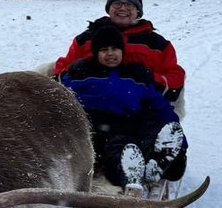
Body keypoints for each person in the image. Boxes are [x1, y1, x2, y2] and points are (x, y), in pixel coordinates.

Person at [60, 26, 187, 188]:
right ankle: (130, 174)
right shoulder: (80, 73)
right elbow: (59, 96)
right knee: (111, 153)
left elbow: (162, 108)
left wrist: (181, 143)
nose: (110, 54)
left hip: (123, 127)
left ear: (122, 51)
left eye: (115, 49)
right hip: (88, 129)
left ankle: (157, 162)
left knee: (134, 142)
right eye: (104, 50)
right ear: (95, 53)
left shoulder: (136, 75)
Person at [53, 0, 185, 102]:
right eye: (117, 3)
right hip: (90, 106)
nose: (122, 8)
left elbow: (175, 79)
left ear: (138, 11)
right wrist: (75, 70)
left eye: (129, 4)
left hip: (139, 111)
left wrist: (149, 77)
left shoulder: (157, 45)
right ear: (109, 8)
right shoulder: (85, 39)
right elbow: (60, 71)